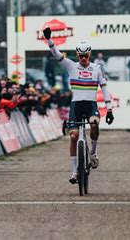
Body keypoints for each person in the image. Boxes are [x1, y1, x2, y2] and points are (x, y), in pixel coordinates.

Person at [43, 27, 114, 184]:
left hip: (90, 105)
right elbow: (57, 55)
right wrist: (49, 40)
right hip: (76, 105)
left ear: (89, 54)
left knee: (94, 124)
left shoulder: (97, 69)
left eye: (86, 56)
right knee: (74, 137)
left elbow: (104, 87)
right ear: (77, 55)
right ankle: (74, 171)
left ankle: (93, 154)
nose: (83, 59)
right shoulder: (71, 66)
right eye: (81, 56)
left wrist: (109, 109)